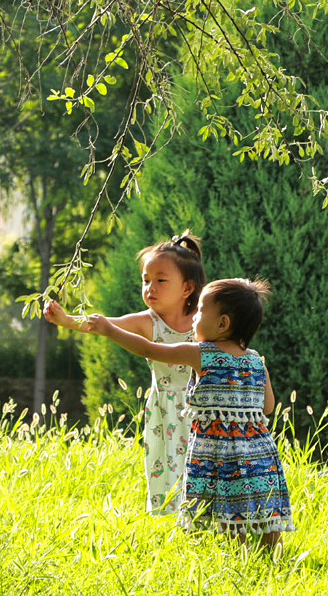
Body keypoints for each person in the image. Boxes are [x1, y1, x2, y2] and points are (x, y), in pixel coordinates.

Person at [82, 277, 293, 549]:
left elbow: (149, 349)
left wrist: (109, 329)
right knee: (263, 507)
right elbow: (268, 407)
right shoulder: (255, 361)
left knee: (228, 512)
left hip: (217, 454)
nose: (194, 317)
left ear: (223, 323)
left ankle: (237, 558)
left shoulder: (200, 354)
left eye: (201, 310)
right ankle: (271, 554)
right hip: (259, 453)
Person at [44, 232, 205, 515]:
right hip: (164, 409)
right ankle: (175, 518)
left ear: (187, 288)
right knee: (167, 464)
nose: (149, 288)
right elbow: (104, 324)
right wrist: (66, 320)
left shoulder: (202, 321)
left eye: (160, 280)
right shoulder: (148, 321)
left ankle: (201, 515)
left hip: (198, 408)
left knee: (199, 463)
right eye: (145, 280)